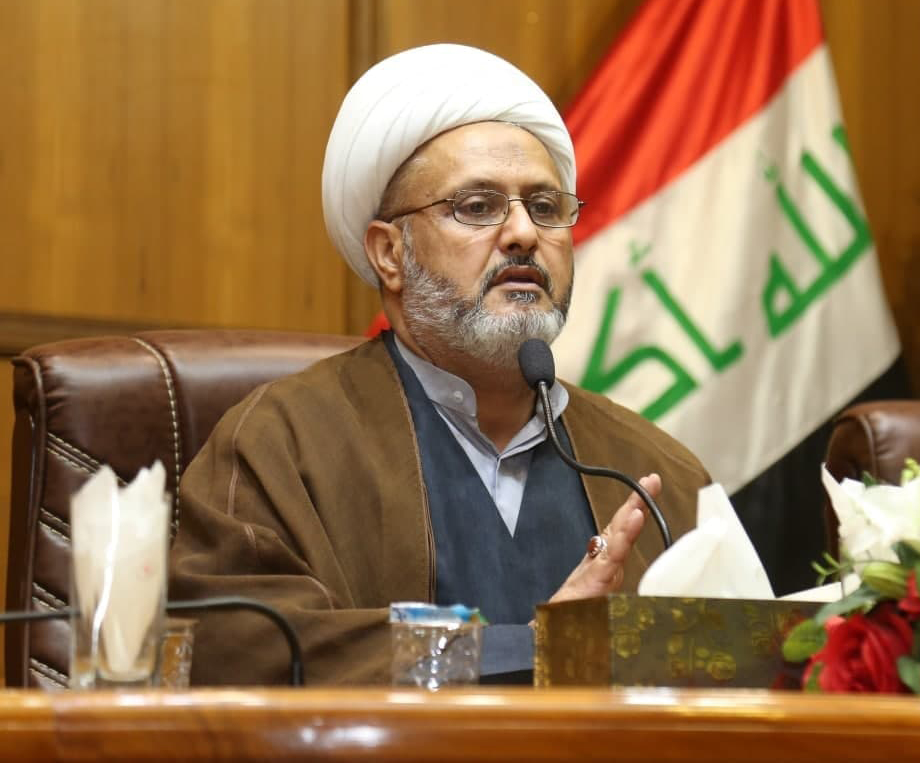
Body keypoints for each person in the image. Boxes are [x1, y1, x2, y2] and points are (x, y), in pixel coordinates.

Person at [169, 44, 710, 685]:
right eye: (477, 207)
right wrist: (532, 651)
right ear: (390, 253)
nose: (524, 234)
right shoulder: (281, 445)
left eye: (545, 208)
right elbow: (239, 652)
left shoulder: (658, 473)